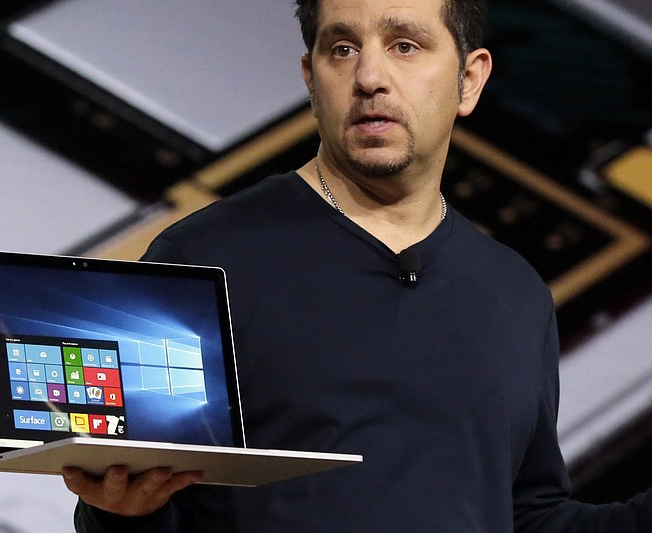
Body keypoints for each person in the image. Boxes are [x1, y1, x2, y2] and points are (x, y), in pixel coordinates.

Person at [63, 0, 652, 530]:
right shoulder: (202, 257)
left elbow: (523, 516)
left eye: (405, 46)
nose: (370, 78)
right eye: (342, 49)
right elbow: (134, 495)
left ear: (469, 80)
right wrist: (120, 517)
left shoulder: (515, 291)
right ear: (310, 79)